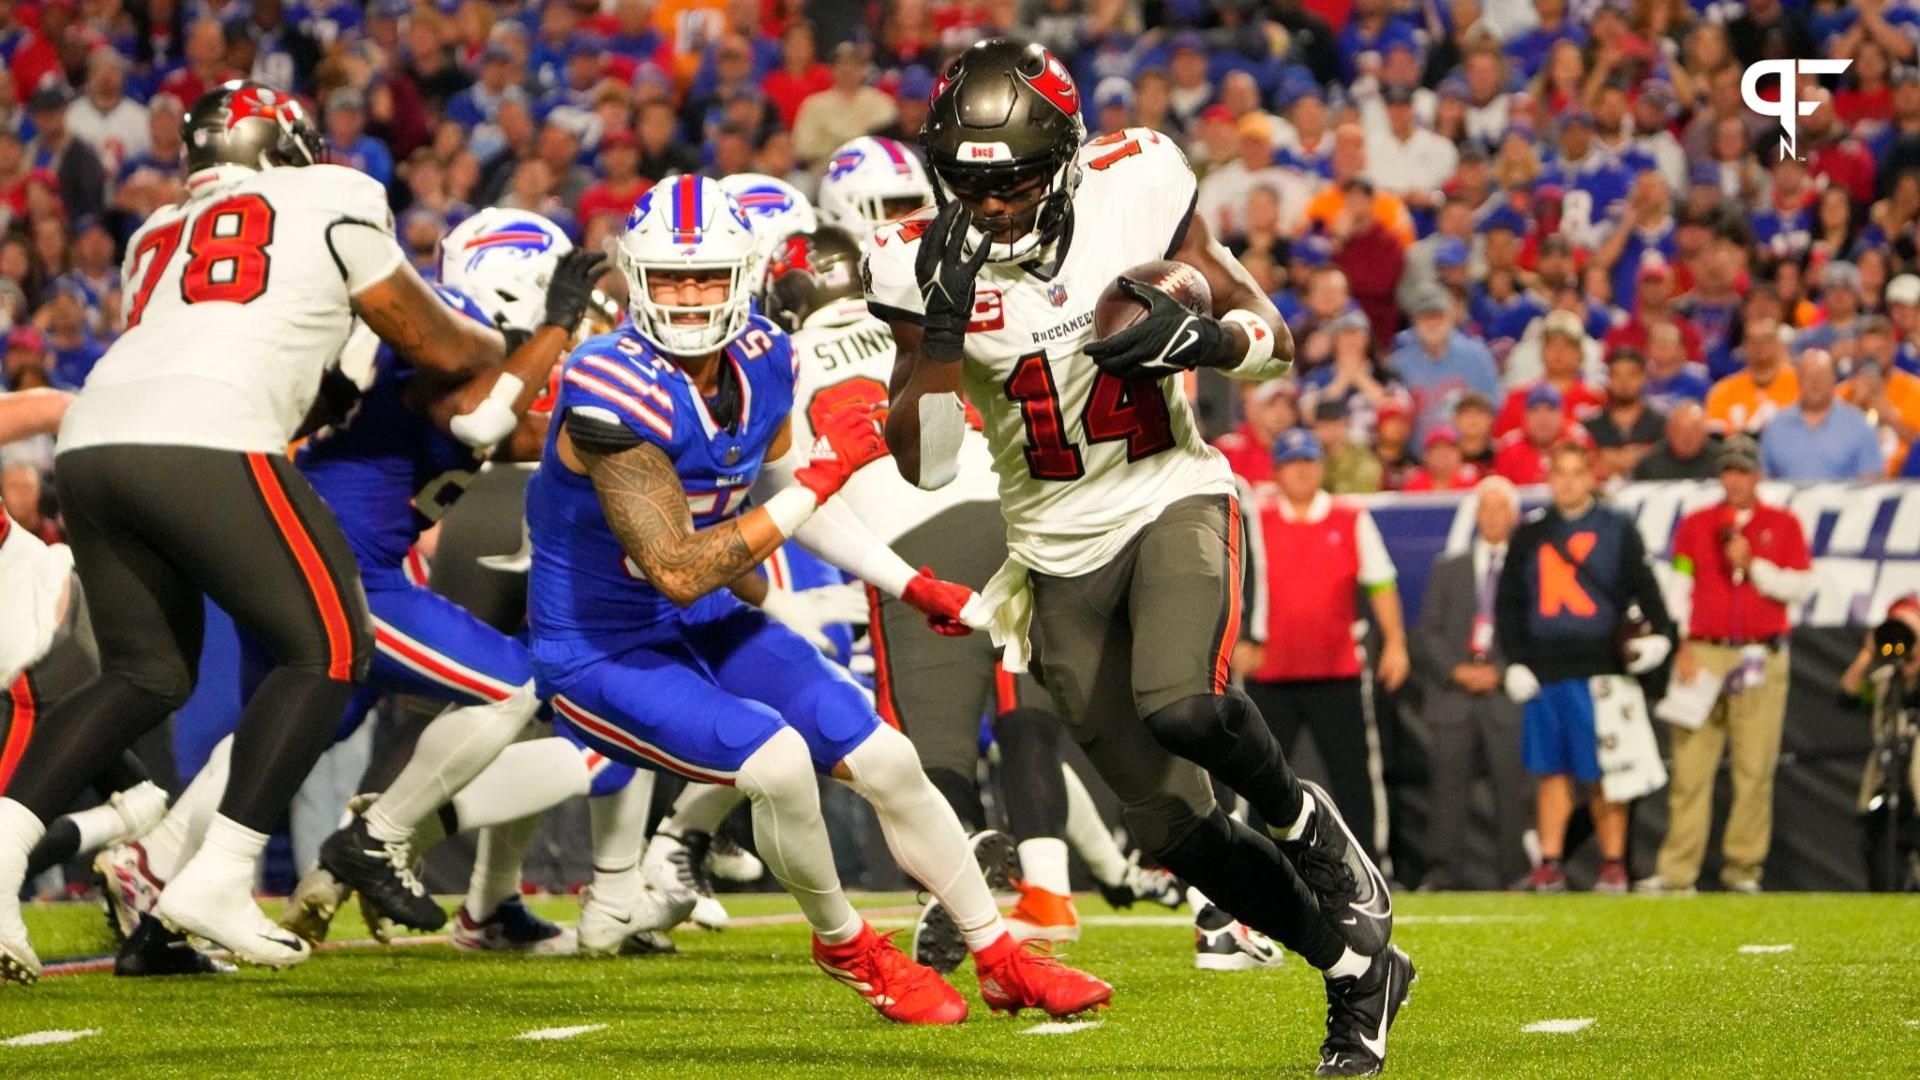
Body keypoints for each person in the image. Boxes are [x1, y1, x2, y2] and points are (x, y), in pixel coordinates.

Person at [872, 39, 1409, 1076]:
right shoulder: (921, 261)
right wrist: (940, 333)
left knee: (1183, 705)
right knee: (1168, 826)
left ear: (1066, 159)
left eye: (1015, 179)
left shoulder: (1141, 184)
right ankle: (1354, 973)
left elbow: (1274, 335)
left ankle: (1307, 825)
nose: (989, 204)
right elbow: (927, 463)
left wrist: (1204, 345)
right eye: (971, 183)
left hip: (1170, 495)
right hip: (1052, 551)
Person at [527, 172, 1109, 1024]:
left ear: (745, 273)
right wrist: (827, 474)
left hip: (706, 621)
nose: (689, 298)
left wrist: (911, 583)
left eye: (706, 277)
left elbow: (785, 495)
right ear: (637, 278)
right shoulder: (607, 381)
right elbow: (682, 566)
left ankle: (999, 954)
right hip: (600, 647)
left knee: (890, 762)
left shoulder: (764, 355)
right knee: (777, 761)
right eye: (671, 278)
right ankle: (847, 944)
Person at [0, 82, 510, 985]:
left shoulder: (154, 232)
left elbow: (205, 336)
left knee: (144, 674)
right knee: (330, 648)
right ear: (290, 148)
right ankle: (222, 876)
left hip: (92, 437)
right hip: (210, 434)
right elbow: (439, 346)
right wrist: (500, 348)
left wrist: (325, 390)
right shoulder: (337, 195)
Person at [766, 220, 1087, 951]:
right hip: (1006, 507)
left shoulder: (782, 356)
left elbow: (785, 471)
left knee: (932, 739)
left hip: (906, 531)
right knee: (1022, 700)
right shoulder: (912, 318)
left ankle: (960, 878)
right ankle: (1050, 890)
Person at [1497, 442, 1675, 893]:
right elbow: (1509, 606)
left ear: (1592, 476)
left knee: (1608, 774)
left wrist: (1662, 637)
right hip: (1546, 671)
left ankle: (1613, 863)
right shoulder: (1530, 534)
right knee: (1551, 773)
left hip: (1603, 670)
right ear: (1550, 477)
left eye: (1578, 472)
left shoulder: (1617, 528)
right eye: (1561, 472)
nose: (1569, 481)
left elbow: (1647, 589)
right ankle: (1551, 862)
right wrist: (1515, 661)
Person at [1640, 435, 1813, 896]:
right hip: (1704, 651)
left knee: (1754, 769)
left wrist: (1753, 564)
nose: (1735, 479)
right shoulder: (1696, 524)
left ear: (1757, 474)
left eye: (1743, 470)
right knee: (1691, 768)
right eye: (1728, 470)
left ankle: (1743, 871)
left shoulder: (1784, 524)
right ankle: (1678, 873)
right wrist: (1681, 644)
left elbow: (1800, 587)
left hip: (1760, 653)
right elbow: (1679, 585)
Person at [1246, 429, 1410, 864]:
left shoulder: (1350, 518)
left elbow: (1381, 582)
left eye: (1308, 461)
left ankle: (1371, 867)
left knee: (1354, 777)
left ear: (1320, 468)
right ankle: (1254, 872)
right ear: (1277, 471)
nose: (1301, 470)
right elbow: (1236, 587)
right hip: (1269, 671)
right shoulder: (1256, 522)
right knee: (1258, 779)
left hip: (1337, 669)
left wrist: (1395, 642)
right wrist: (1238, 642)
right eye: (1292, 462)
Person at [1412, 476, 1531, 889]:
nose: (1494, 517)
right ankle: (1442, 872)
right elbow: (1427, 631)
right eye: (1486, 508)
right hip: (1454, 693)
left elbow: (1534, 628)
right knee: (1447, 788)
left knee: (1512, 786)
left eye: (1502, 509)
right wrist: (1457, 670)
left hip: (1505, 692)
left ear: (1514, 517)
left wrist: (1500, 669)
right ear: (1477, 515)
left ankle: (1515, 873)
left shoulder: (1526, 568)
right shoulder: (1450, 568)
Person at [1758, 350, 1885, 481]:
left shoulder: (1859, 426)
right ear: (1798, 380)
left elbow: (1871, 482)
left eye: (1821, 376)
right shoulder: (1776, 428)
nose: (1815, 383)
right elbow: (1764, 482)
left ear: (1833, 379)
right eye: (1809, 377)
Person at [1585, 349, 1666, 481]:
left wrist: (1644, 456)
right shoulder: (1591, 426)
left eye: (1631, 374)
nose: (1624, 382)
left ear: (1643, 378)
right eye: (1617, 375)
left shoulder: (1662, 424)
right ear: (1609, 379)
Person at [1634, 401, 1721, 481]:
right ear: (1668, 432)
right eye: (1680, 430)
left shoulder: (1721, 459)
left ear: (1705, 432)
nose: (1688, 437)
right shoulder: (1649, 465)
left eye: (1695, 429)